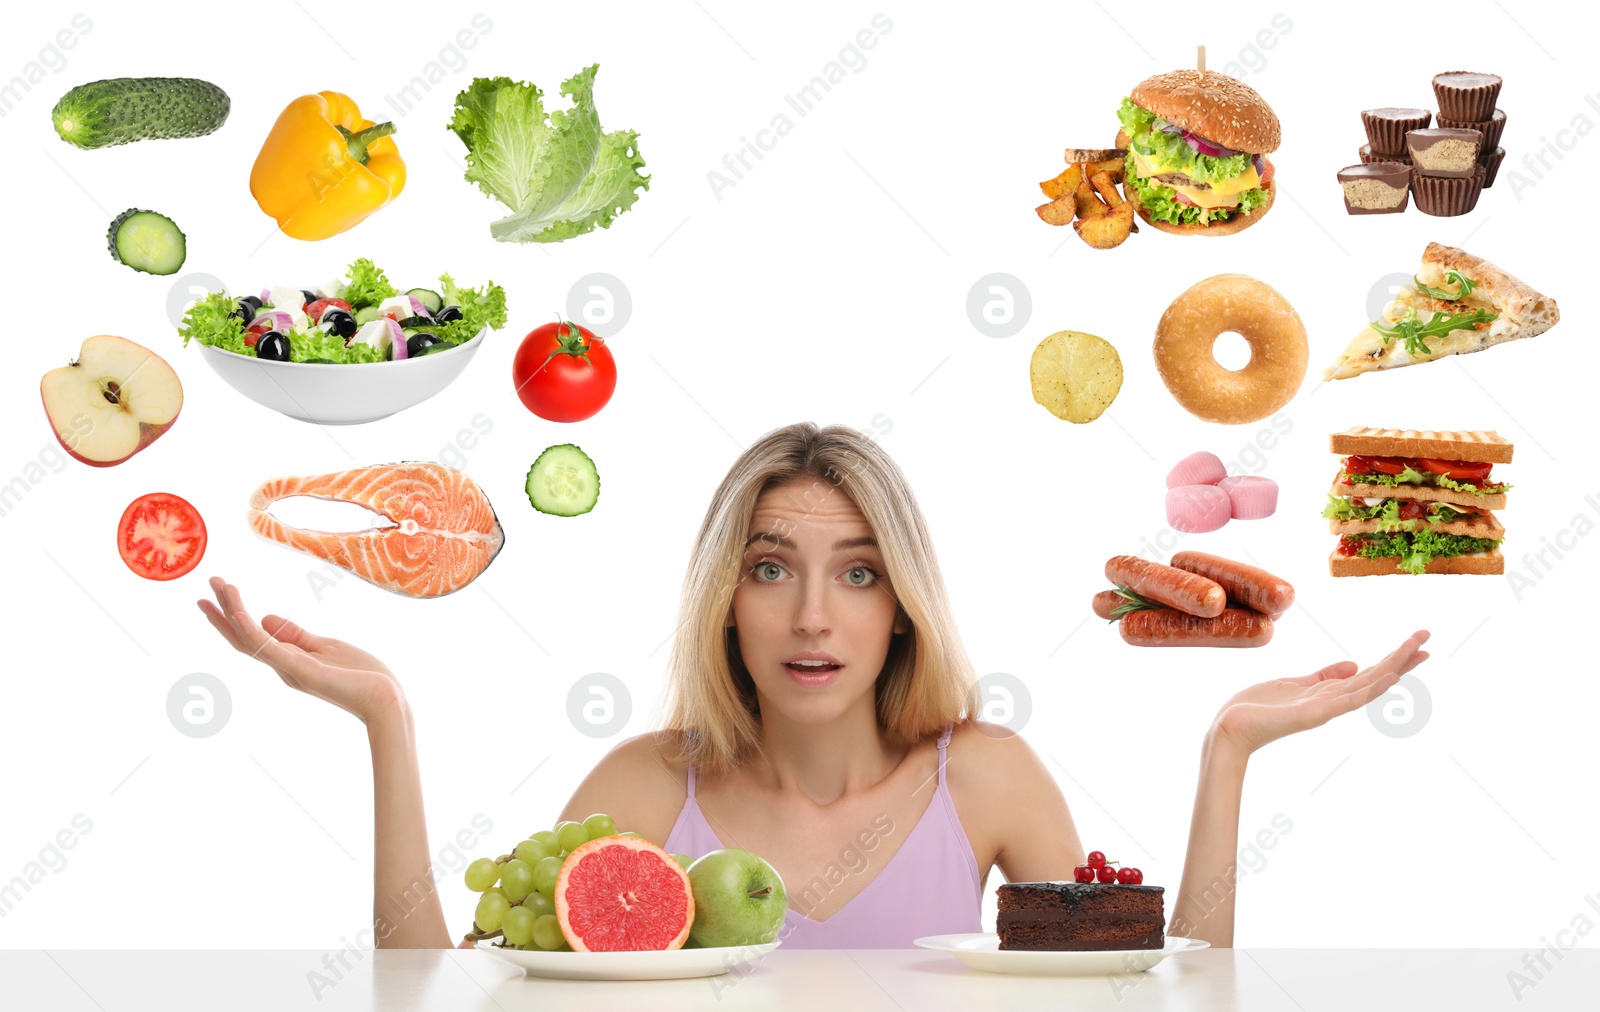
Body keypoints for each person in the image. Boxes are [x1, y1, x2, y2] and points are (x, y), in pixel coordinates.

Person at [198, 422, 1430, 950]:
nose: (810, 616)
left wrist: (1226, 753)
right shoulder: (642, 784)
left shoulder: (985, 776)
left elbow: (1152, 995)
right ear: (722, 595)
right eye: (771, 567)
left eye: (856, 572)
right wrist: (388, 725)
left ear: (901, 600)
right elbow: (442, 995)